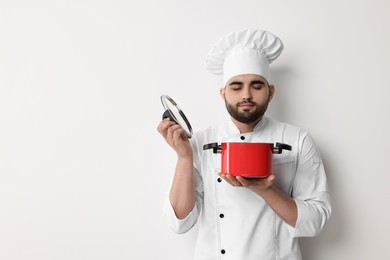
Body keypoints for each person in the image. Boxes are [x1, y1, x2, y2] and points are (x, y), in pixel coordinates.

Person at [157, 28, 331, 260]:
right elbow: (180, 223)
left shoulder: (297, 140)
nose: (246, 95)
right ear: (223, 94)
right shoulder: (199, 142)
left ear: (270, 92)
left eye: (256, 86)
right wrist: (184, 158)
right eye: (236, 86)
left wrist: (265, 190)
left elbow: (315, 221)